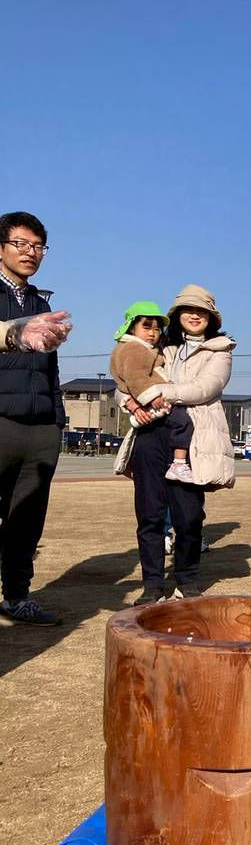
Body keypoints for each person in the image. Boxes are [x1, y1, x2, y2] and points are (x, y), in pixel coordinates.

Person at [115, 285, 235, 603]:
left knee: (189, 515)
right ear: (177, 315)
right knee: (149, 514)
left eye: (201, 310)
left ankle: (187, 578)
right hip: (151, 435)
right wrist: (129, 401)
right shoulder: (159, 346)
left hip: (192, 439)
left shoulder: (220, 350)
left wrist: (158, 392)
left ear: (212, 317)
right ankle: (153, 584)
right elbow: (125, 379)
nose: (194, 315)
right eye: (188, 309)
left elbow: (204, 389)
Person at [0, 212, 71, 626]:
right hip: (1, 421)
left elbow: (50, 371)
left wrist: (56, 420)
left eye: (38, 246)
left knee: (26, 519)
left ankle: (17, 596)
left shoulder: (42, 304)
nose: (30, 252)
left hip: (41, 427)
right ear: (1, 248)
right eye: (21, 243)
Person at [108, 300, 194, 482]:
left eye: (157, 329)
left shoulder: (140, 348)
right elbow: (136, 377)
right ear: (132, 328)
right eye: (146, 327)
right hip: (153, 401)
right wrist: (151, 396)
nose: (152, 333)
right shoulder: (135, 349)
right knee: (183, 422)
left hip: (148, 403)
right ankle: (179, 463)